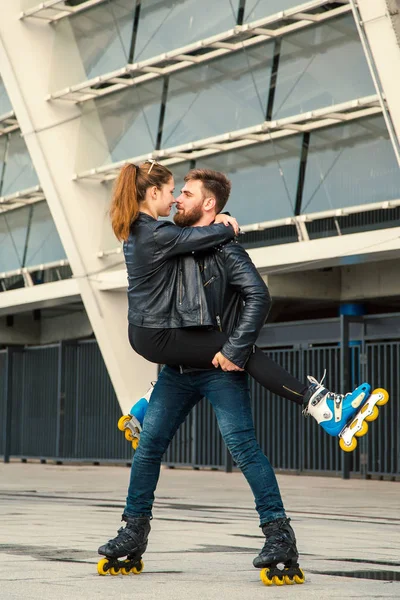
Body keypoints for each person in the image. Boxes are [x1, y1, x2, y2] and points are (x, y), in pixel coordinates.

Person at [97, 163, 379, 584]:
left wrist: (233, 349)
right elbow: (168, 310)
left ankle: (279, 536)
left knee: (243, 449)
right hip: (177, 367)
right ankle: (132, 534)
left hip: (218, 368)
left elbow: (258, 298)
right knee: (148, 448)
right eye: (175, 192)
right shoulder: (173, 240)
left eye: (186, 194)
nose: (177, 199)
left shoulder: (222, 250)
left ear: (208, 204)